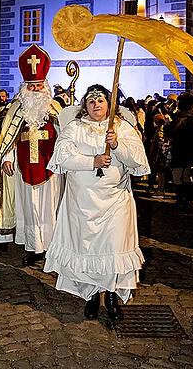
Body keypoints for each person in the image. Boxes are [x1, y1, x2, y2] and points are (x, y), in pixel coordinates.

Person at [43, 84, 150, 321]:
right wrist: (91, 161)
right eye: (91, 101)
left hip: (115, 202)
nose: (96, 105)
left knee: (112, 248)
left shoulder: (122, 127)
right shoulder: (75, 128)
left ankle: (111, 295)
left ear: (109, 104)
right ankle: (91, 295)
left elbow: (139, 161)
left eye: (101, 100)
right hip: (82, 203)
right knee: (87, 249)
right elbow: (61, 155)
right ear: (85, 106)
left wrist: (116, 146)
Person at [0, 44, 63, 266]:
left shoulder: (55, 107)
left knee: (50, 209)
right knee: (29, 209)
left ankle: (52, 246)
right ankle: (34, 247)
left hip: (51, 168)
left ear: (45, 85)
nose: (36, 90)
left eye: (39, 85)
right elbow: (8, 136)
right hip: (23, 168)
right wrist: (7, 158)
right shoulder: (16, 109)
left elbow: (67, 135)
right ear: (24, 87)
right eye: (31, 85)